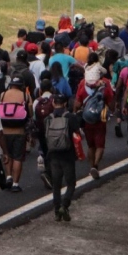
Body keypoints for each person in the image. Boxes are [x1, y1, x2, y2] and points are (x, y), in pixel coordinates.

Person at [42, 93, 80, 222]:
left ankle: (57, 211)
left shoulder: (47, 119)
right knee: (71, 183)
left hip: (53, 155)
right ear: (65, 104)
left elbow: (44, 137)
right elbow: (78, 134)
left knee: (56, 185)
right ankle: (65, 205)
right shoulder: (70, 117)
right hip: (68, 155)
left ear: (53, 103)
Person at [0, 77, 31, 192]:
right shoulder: (25, 96)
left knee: (7, 154)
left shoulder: (2, 95)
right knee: (17, 157)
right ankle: (16, 183)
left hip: (4, 130)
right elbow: (30, 110)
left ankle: (8, 176)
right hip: (19, 131)